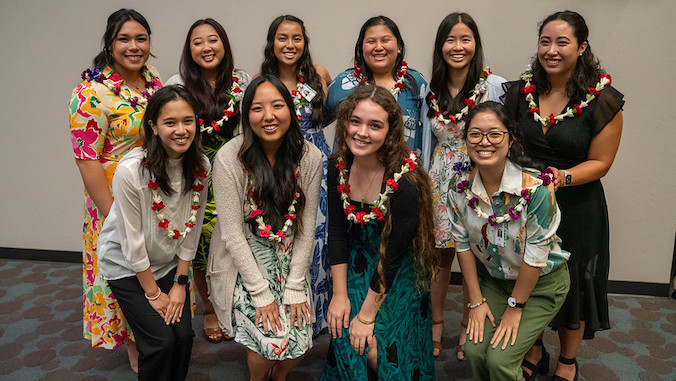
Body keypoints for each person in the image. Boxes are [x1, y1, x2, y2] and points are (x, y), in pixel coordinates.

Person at [504, 10, 624, 381]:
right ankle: (535, 348)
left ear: (582, 46)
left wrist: (563, 178)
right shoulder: (519, 92)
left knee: (575, 282)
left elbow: (601, 162)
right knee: (529, 276)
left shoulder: (603, 100)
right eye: (545, 41)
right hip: (526, 205)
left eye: (562, 42)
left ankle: (568, 359)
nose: (551, 50)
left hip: (576, 204)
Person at [207, 75, 322, 381]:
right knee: (271, 342)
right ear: (246, 116)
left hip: (287, 257)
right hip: (242, 261)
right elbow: (231, 233)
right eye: (258, 108)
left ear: (291, 111)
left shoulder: (309, 157)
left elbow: (306, 225)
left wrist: (296, 284)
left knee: (300, 342)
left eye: (277, 106)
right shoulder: (229, 158)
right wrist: (260, 293)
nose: (268, 116)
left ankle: (279, 377)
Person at [446, 101, 570, 380]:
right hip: (496, 282)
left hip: (542, 285)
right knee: (475, 352)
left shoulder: (536, 190)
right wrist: (475, 303)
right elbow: (462, 246)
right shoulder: (458, 186)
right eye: (475, 134)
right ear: (466, 140)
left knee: (500, 361)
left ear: (510, 139)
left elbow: (535, 258)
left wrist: (516, 308)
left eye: (495, 134)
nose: (484, 142)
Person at [321, 85, 436, 380]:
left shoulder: (405, 182)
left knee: (376, 349)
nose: (362, 132)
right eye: (355, 121)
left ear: (390, 132)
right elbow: (337, 232)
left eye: (375, 125)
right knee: (344, 329)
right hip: (357, 258)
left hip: (398, 269)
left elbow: (394, 257)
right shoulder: (338, 166)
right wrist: (340, 295)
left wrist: (367, 315)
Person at [68, 8, 161, 371]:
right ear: (109, 44)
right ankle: (135, 346)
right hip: (115, 199)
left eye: (141, 38)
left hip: (155, 193)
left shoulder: (153, 81)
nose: (134, 47)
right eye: (125, 39)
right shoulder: (89, 92)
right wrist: (114, 216)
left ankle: (156, 331)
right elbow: (87, 161)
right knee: (123, 269)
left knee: (154, 264)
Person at [97, 84, 209, 380]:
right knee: (160, 343)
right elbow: (132, 242)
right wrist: (153, 293)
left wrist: (180, 283)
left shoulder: (201, 166)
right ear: (154, 127)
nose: (181, 130)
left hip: (169, 263)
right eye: (170, 122)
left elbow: (192, 229)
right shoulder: (132, 171)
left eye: (188, 121)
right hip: (126, 265)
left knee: (184, 337)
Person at [421, 12, 506, 360]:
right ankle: (436, 324)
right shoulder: (431, 89)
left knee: (482, 255)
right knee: (440, 260)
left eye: (465, 39)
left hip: (480, 181)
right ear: (441, 46)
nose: (457, 47)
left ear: (476, 44)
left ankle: (472, 325)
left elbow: (502, 137)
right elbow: (427, 141)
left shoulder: (494, 85)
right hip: (439, 183)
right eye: (450, 40)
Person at [165, 18, 251, 344]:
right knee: (200, 243)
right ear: (190, 50)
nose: (206, 47)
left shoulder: (241, 81)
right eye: (198, 42)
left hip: (236, 173)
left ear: (224, 44)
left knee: (238, 241)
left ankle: (236, 305)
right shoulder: (178, 84)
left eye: (213, 40)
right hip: (197, 174)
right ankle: (210, 309)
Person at [258, 15, 332, 336]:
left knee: (321, 239)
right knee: (288, 239)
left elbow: (332, 114)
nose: (290, 45)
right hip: (282, 167)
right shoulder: (263, 81)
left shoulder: (320, 75)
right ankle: (290, 313)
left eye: (297, 38)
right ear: (272, 43)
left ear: (305, 42)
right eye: (283, 38)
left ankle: (323, 316)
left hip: (320, 164)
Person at [326, 16, 427, 153]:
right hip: (352, 171)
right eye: (371, 41)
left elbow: (432, 130)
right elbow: (313, 119)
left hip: (403, 170)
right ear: (361, 48)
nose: (379, 47)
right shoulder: (344, 83)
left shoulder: (415, 82)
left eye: (385, 40)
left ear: (399, 47)